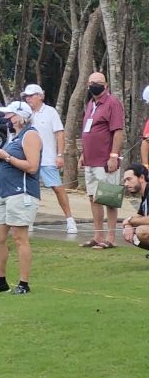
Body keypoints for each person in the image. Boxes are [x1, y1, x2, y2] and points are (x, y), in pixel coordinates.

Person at [0, 101, 42, 295]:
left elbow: (32, 166)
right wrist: (0, 158)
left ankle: (23, 283)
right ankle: (0, 281)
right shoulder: (15, 138)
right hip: (4, 192)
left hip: (21, 192)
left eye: (9, 116)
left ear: (20, 117)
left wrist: (7, 158)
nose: (6, 119)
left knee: (20, 237)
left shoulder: (31, 135)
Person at [21, 83, 78, 234]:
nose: (28, 99)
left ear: (40, 96)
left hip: (47, 159)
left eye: (31, 96)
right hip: (29, 159)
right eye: (26, 96)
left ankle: (70, 220)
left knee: (58, 189)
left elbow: (59, 133)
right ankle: (29, 221)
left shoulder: (50, 112)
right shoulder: (26, 113)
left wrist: (60, 155)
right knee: (29, 192)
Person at [79, 72, 124, 250]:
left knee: (109, 197)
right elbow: (87, 132)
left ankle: (111, 237)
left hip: (105, 160)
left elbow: (118, 131)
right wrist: (83, 154)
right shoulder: (91, 103)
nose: (93, 86)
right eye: (90, 83)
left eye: (97, 83)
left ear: (105, 85)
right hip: (90, 159)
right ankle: (98, 235)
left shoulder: (112, 103)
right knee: (93, 197)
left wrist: (113, 155)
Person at [121, 164, 149, 250]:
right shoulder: (145, 194)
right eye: (125, 180)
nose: (126, 184)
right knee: (130, 234)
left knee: (142, 231)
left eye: (129, 179)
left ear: (141, 178)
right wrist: (127, 224)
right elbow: (139, 215)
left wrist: (129, 220)